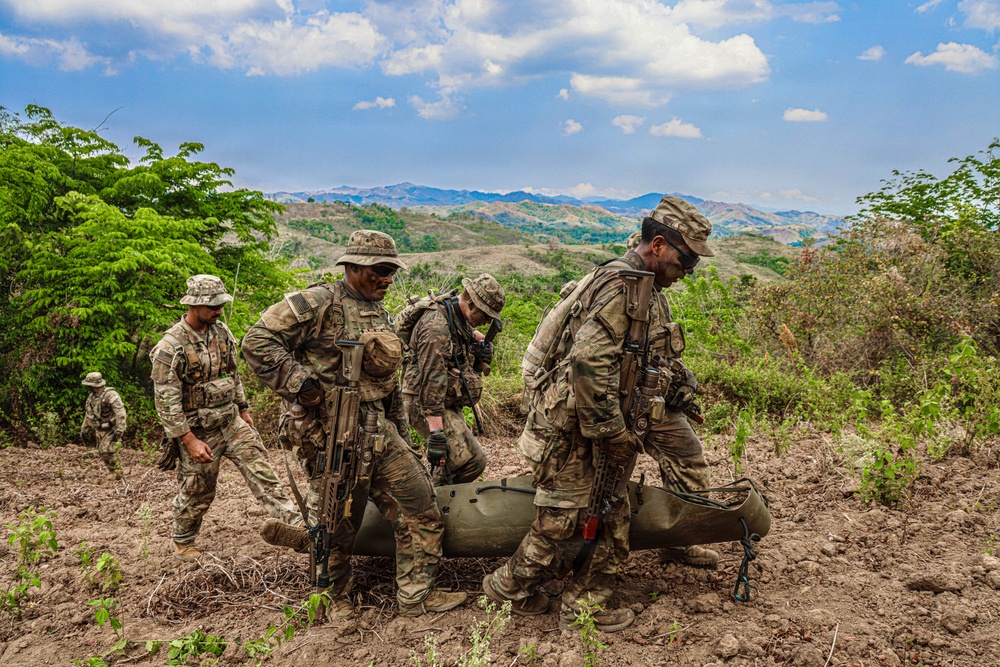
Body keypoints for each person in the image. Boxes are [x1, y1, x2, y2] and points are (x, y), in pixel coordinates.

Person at [483, 196, 716, 633]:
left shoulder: (646, 289)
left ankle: (583, 602)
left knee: (610, 509)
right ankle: (506, 588)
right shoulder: (621, 287)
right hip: (575, 428)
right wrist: (612, 432)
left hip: (599, 421)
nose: (688, 272)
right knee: (561, 519)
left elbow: (643, 356)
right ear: (660, 245)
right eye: (686, 261)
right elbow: (589, 364)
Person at [241, 230, 467, 619]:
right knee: (337, 522)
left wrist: (400, 430)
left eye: (391, 271)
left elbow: (388, 382)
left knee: (420, 505)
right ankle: (333, 597)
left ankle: (416, 595)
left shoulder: (380, 311)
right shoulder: (317, 302)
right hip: (331, 433)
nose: (387, 279)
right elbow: (257, 341)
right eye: (380, 271)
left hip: (379, 428)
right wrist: (303, 386)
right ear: (355, 267)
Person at [149, 274, 302, 562]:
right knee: (199, 492)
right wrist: (189, 440)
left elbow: (232, 374)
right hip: (197, 430)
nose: (219, 310)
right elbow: (165, 402)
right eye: (213, 306)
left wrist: (243, 409)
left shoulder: (221, 332)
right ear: (194, 305)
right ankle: (182, 540)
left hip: (231, 421)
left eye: (221, 305)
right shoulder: (171, 347)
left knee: (263, 472)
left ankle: (297, 528)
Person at [400, 273, 505, 485]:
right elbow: (431, 382)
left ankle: (437, 499)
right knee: (460, 463)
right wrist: (436, 433)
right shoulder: (436, 327)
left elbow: (462, 339)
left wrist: (478, 343)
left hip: (444, 400)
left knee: (476, 460)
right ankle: (426, 507)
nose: (486, 322)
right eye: (485, 315)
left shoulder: (458, 313)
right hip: (424, 401)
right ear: (471, 304)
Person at [79, 371, 126, 480]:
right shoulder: (92, 397)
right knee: (102, 451)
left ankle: (116, 472)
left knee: (106, 450)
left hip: (111, 428)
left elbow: (120, 412)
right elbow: (89, 414)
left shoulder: (110, 395)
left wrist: (120, 428)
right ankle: (114, 471)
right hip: (100, 428)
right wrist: (84, 429)